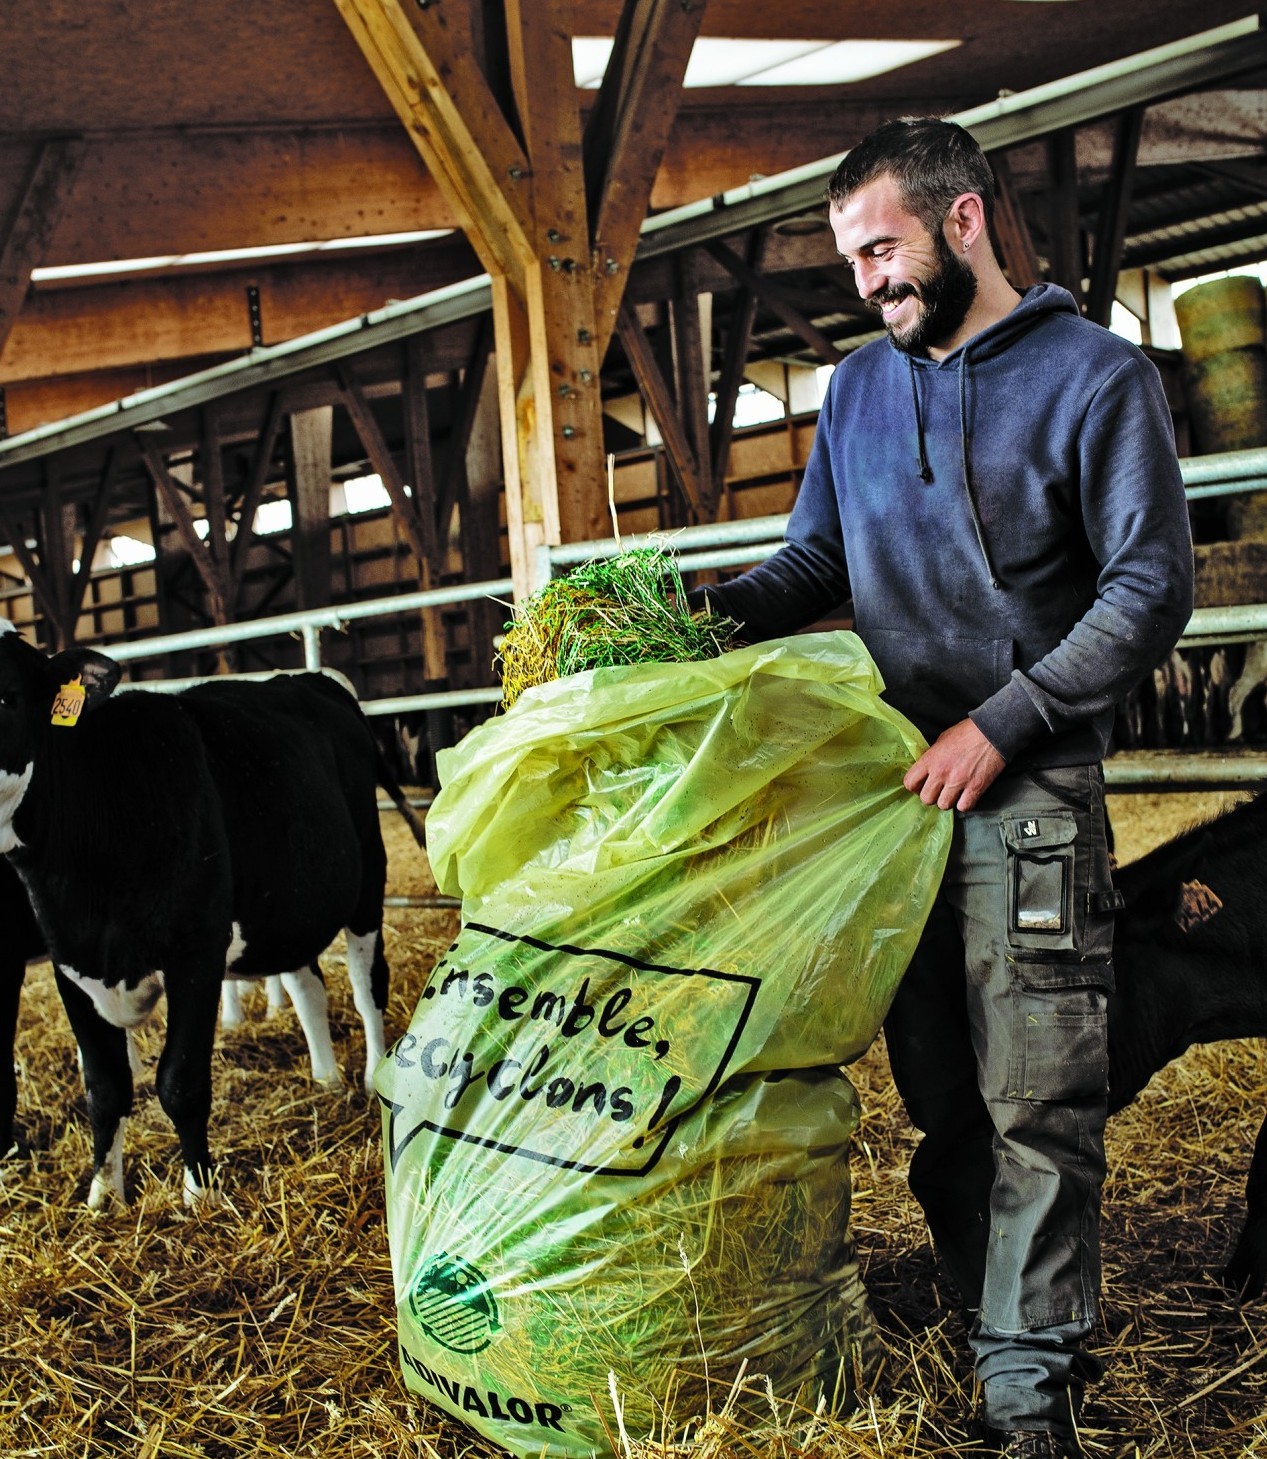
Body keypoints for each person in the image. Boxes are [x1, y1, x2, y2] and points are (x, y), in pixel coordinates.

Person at [688, 116, 1194, 1458]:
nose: (866, 279)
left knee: (1038, 1101)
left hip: (1025, 802)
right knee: (940, 1094)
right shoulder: (857, 392)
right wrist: (685, 627)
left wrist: (1004, 721)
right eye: (851, 258)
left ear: (963, 217)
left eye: (882, 248)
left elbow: (1150, 590)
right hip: (892, 803)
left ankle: (1030, 1406)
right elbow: (812, 566)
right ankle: (991, 1319)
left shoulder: (1098, 380)